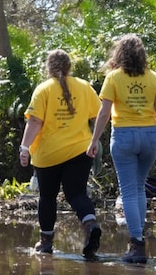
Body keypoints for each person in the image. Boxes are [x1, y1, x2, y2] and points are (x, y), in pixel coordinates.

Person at [87, 34, 156, 264]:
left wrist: (94, 140)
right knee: (139, 187)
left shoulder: (113, 78)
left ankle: (137, 244)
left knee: (128, 190)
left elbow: (104, 113)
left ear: (119, 54)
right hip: (150, 136)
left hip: (125, 136)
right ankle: (138, 239)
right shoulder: (153, 78)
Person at [19, 49, 102, 260]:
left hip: (48, 155)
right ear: (69, 66)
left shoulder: (43, 89)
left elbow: (35, 121)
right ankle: (91, 224)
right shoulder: (84, 87)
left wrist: (25, 147)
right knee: (77, 194)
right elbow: (100, 114)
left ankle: (46, 242)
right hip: (79, 150)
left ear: (49, 67)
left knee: (47, 197)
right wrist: (95, 140)